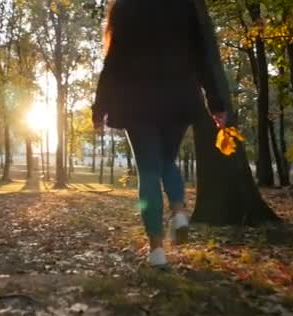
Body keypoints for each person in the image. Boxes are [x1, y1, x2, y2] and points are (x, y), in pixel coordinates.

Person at [92, 0, 227, 268]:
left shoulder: (126, 7)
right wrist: (216, 103)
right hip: (179, 98)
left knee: (149, 171)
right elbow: (203, 56)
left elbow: (113, 62)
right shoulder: (184, 6)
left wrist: (100, 107)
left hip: (136, 102)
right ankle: (178, 212)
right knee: (167, 161)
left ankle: (156, 252)